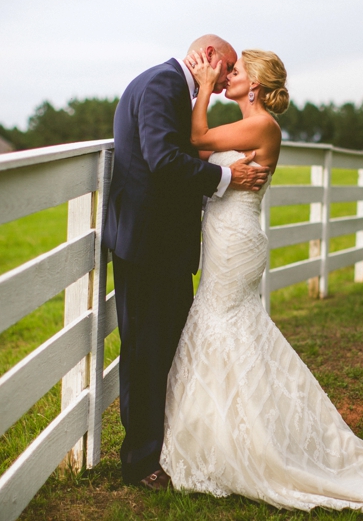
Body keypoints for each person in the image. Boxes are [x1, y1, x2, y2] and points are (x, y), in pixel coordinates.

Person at [159, 49, 363, 520]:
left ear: (255, 83)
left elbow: (196, 135)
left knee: (222, 330)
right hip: (226, 241)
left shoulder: (263, 126)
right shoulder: (243, 125)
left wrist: (203, 86)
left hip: (235, 245)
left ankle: (247, 444)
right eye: (225, 71)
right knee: (228, 335)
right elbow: (200, 150)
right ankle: (224, 436)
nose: (227, 75)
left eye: (235, 70)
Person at [102, 35, 269, 489]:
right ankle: (140, 463)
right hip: (147, 246)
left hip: (166, 246)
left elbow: (188, 145)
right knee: (146, 353)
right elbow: (162, 159)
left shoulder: (177, 89)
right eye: (226, 67)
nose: (222, 84)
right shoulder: (162, 85)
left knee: (170, 350)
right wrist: (227, 176)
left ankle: (169, 449)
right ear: (209, 57)